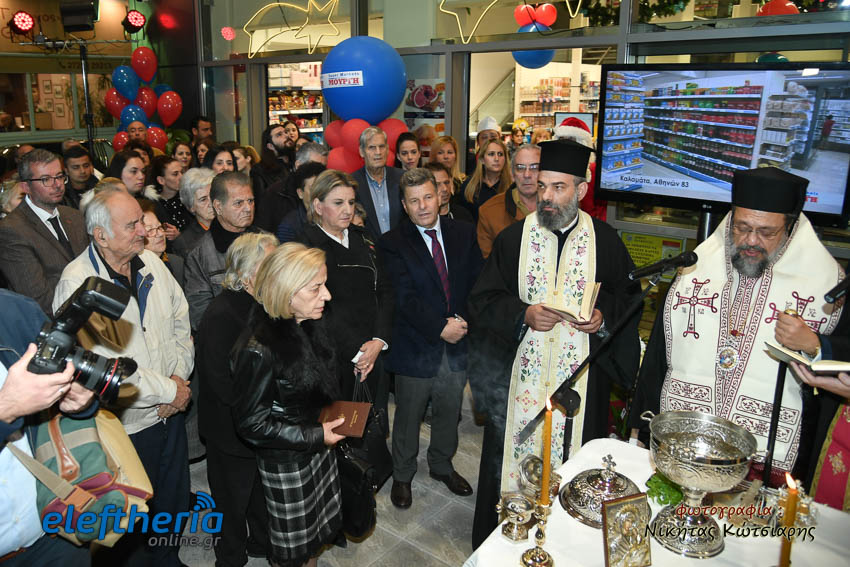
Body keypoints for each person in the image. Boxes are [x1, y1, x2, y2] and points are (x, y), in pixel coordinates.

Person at [468, 140, 641, 547]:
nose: (545, 196)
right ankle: (507, 541)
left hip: (581, 382)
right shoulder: (513, 239)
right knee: (510, 465)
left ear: (581, 190)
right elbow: (482, 300)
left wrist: (603, 318)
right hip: (520, 385)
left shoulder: (605, 241)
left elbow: (629, 298)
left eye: (558, 187)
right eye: (542, 185)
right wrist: (523, 314)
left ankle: (564, 544)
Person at [630, 166, 848, 486]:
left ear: (790, 228)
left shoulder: (828, 286)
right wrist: (642, 424)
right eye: (742, 227)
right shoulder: (695, 271)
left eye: (766, 232)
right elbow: (658, 357)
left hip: (768, 460)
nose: (750, 241)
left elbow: (843, 363)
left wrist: (815, 344)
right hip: (688, 445)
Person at [53, 188, 193, 566]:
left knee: (173, 503)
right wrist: (169, 391)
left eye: (141, 222)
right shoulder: (79, 285)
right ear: (101, 235)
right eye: (132, 225)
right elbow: (106, 370)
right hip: (127, 426)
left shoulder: (150, 263)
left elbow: (181, 322)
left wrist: (178, 378)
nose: (143, 232)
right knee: (132, 523)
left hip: (170, 412)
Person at [232, 242, 345, 567]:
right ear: (286, 292)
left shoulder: (306, 322)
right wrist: (316, 435)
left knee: (314, 537)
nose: (327, 296)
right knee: (293, 551)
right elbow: (251, 424)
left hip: (317, 446)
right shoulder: (258, 348)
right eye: (316, 288)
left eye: (325, 285)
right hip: (289, 462)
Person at [378, 168, 484, 509]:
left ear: (439, 196)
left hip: (457, 341)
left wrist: (463, 321)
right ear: (404, 205)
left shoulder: (463, 232)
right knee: (408, 416)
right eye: (414, 200)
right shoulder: (392, 243)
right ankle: (402, 474)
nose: (422, 206)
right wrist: (439, 326)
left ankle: (441, 465)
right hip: (415, 344)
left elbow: (477, 282)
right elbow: (402, 296)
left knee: (449, 410)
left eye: (427, 196)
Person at [196, 233, 277, 566]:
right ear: (247, 273)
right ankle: (230, 557)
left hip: (257, 423)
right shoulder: (222, 314)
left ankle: (261, 542)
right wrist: (261, 407)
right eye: (270, 264)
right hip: (229, 429)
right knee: (230, 502)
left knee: (258, 491)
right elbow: (220, 382)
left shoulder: (264, 304)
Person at [0, 289, 96, 567]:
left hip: (55, 529)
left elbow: (74, 384)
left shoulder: (13, 310)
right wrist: (6, 408)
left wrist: (79, 399)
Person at [298, 169, 394, 410]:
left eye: (351, 202)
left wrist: (379, 340)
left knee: (374, 420)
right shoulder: (305, 245)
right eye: (338, 203)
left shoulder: (364, 238)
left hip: (374, 349)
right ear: (318, 206)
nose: (348, 210)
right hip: (333, 357)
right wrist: (357, 353)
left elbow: (385, 289)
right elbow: (315, 308)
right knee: (342, 426)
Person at [0, 149, 89, 313]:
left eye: (59, 176)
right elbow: (37, 299)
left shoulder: (74, 216)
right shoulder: (11, 230)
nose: (57, 184)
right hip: (53, 321)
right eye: (45, 179)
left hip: (92, 311)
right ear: (26, 186)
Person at [184, 171, 259, 330]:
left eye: (250, 201)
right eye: (238, 203)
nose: (248, 208)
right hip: (229, 337)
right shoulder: (199, 255)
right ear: (218, 206)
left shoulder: (266, 242)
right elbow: (201, 316)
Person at [476, 143, 540, 258]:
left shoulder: (559, 207)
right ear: (512, 174)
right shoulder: (489, 212)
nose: (527, 175)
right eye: (520, 168)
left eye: (534, 167)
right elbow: (488, 263)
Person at [254, 142, 327, 233]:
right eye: (314, 167)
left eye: (323, 169)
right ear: (298, 165)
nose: (320, 173)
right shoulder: (275, 194)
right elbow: (262, 231)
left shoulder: (329, 192)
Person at [352, 126, 404, 239]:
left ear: (387, 149)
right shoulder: (352, 183)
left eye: (381, 146)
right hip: (368, 247)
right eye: (372, 147)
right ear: (361, 151)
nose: (378, 152)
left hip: (401, 246)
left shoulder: (402, 178)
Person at [555, 117, 606, 221]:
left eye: (571, 139)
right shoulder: (553, 170)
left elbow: (602, 208)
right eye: (562, 139)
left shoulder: (594, 171)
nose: (565, 144)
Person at [459, 138, 511, 222]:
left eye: (500, 154)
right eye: (491, 154)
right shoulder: (468, 187)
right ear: (482, 160)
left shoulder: (512, 187)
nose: (496, 158)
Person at [276, 162, 326, 243]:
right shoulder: (289, 226)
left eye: (322, 187)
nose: (318, 192)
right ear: (300, 193)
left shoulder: (334, 216)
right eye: (313, 188)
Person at [252, 124, 294, 219]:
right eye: (279, 135)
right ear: (270, 146)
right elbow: (262, 205)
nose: (286, 135)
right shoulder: (260, 170)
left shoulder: (298, 163)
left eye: (286, 132)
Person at [139, 198, 185, 286]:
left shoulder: (176, 264)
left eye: (159, 227)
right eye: (150, 230)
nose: (160, 234)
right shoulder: (137, 273)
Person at [173, 168, 216, 257]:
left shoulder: (232, 225)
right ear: (191, 206)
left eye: (212, 195)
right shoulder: (185, 243)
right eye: (203, 199)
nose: (211, 203)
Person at [152, 155, 192, 239]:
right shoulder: (154, 205)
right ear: (161, 180)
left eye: (182, 172)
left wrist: (180, 236)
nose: (181, 177)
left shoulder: (188, 199)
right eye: (175, 174)